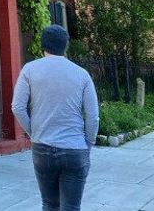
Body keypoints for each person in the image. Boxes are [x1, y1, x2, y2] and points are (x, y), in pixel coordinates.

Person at [11, 24, 99, 211]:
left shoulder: (29, 69)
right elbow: (93, 117)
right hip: (75, 149)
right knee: (72, 207)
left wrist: (34, 133)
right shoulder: (82, 74)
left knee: (49, 204)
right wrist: (87, 145)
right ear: (65, 46)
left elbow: (17, 107)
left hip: (42, 147)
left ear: (43, 45)